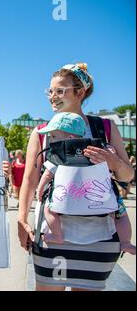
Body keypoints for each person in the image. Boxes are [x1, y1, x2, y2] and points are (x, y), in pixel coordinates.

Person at [18, 62, 135, 291]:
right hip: (52, 234)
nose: (52, 97)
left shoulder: (106, 128)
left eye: (60, 91)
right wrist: (22, 219)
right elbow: (30, 180)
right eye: (50, 91)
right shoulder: (42, 131)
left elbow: (127, 176)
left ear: (79, 92)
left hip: (101, 235)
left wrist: (114, 162)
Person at [35, 112, 135, 255]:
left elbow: (47, 174)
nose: (51, 140)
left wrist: (40, 190)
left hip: (68, 198)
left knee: (49, 210)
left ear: (70, 137)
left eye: (53, 136)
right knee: (122, 215)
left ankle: (57, 235)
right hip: (101, 196)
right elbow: (111, 165)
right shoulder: (99, 148)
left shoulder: (59, 153)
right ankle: (126, 242)